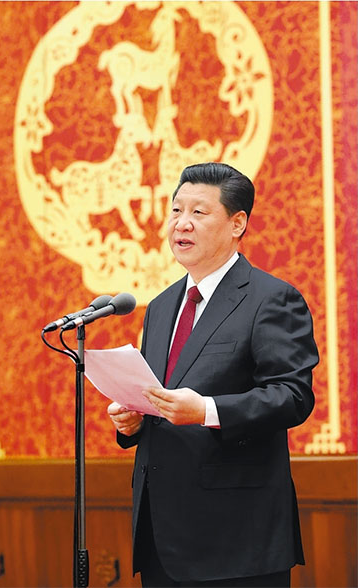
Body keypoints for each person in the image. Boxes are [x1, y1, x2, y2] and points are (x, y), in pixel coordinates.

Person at [108, 162, 319, 587]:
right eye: (175, 210)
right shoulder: (161, 306)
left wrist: (206, 410)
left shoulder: (271, 298)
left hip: (236, 538)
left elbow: (292, 397)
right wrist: (133, 421)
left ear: (237, 223)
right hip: (161, 534)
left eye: (198, 213)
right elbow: (160, 399)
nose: (181, 224)